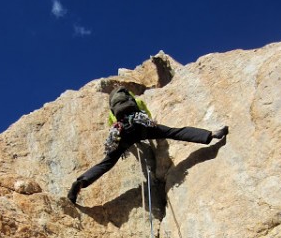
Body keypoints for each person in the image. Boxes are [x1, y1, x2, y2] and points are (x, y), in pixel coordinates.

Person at [67, 86, 228, 204]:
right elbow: (147, 116)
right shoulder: (136, 101)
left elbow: (112, 124)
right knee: (173, 132)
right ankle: (211, 134)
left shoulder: (112, 112)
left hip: (123, 134)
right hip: (141, 127)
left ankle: (82, 181)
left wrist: (126, 142)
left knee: (107, 162)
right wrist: (149, 132)